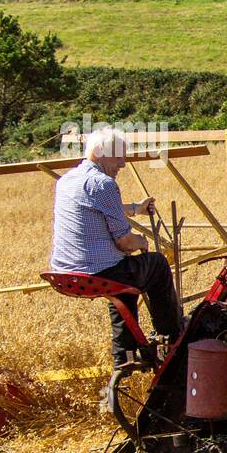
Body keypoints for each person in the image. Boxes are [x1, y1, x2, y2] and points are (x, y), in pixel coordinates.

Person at [50, 127, 182, 368]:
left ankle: (125, 355)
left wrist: (136, 208)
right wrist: (142, 241)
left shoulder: (67, 180)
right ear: (100, 152)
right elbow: (125, 243)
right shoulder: (103, 184)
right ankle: (173, 336)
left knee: (126, 282)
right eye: (118, 156)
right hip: (97, 272)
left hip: (64, 274)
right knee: (157, 264)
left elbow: (96, 207)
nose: (122, 163)